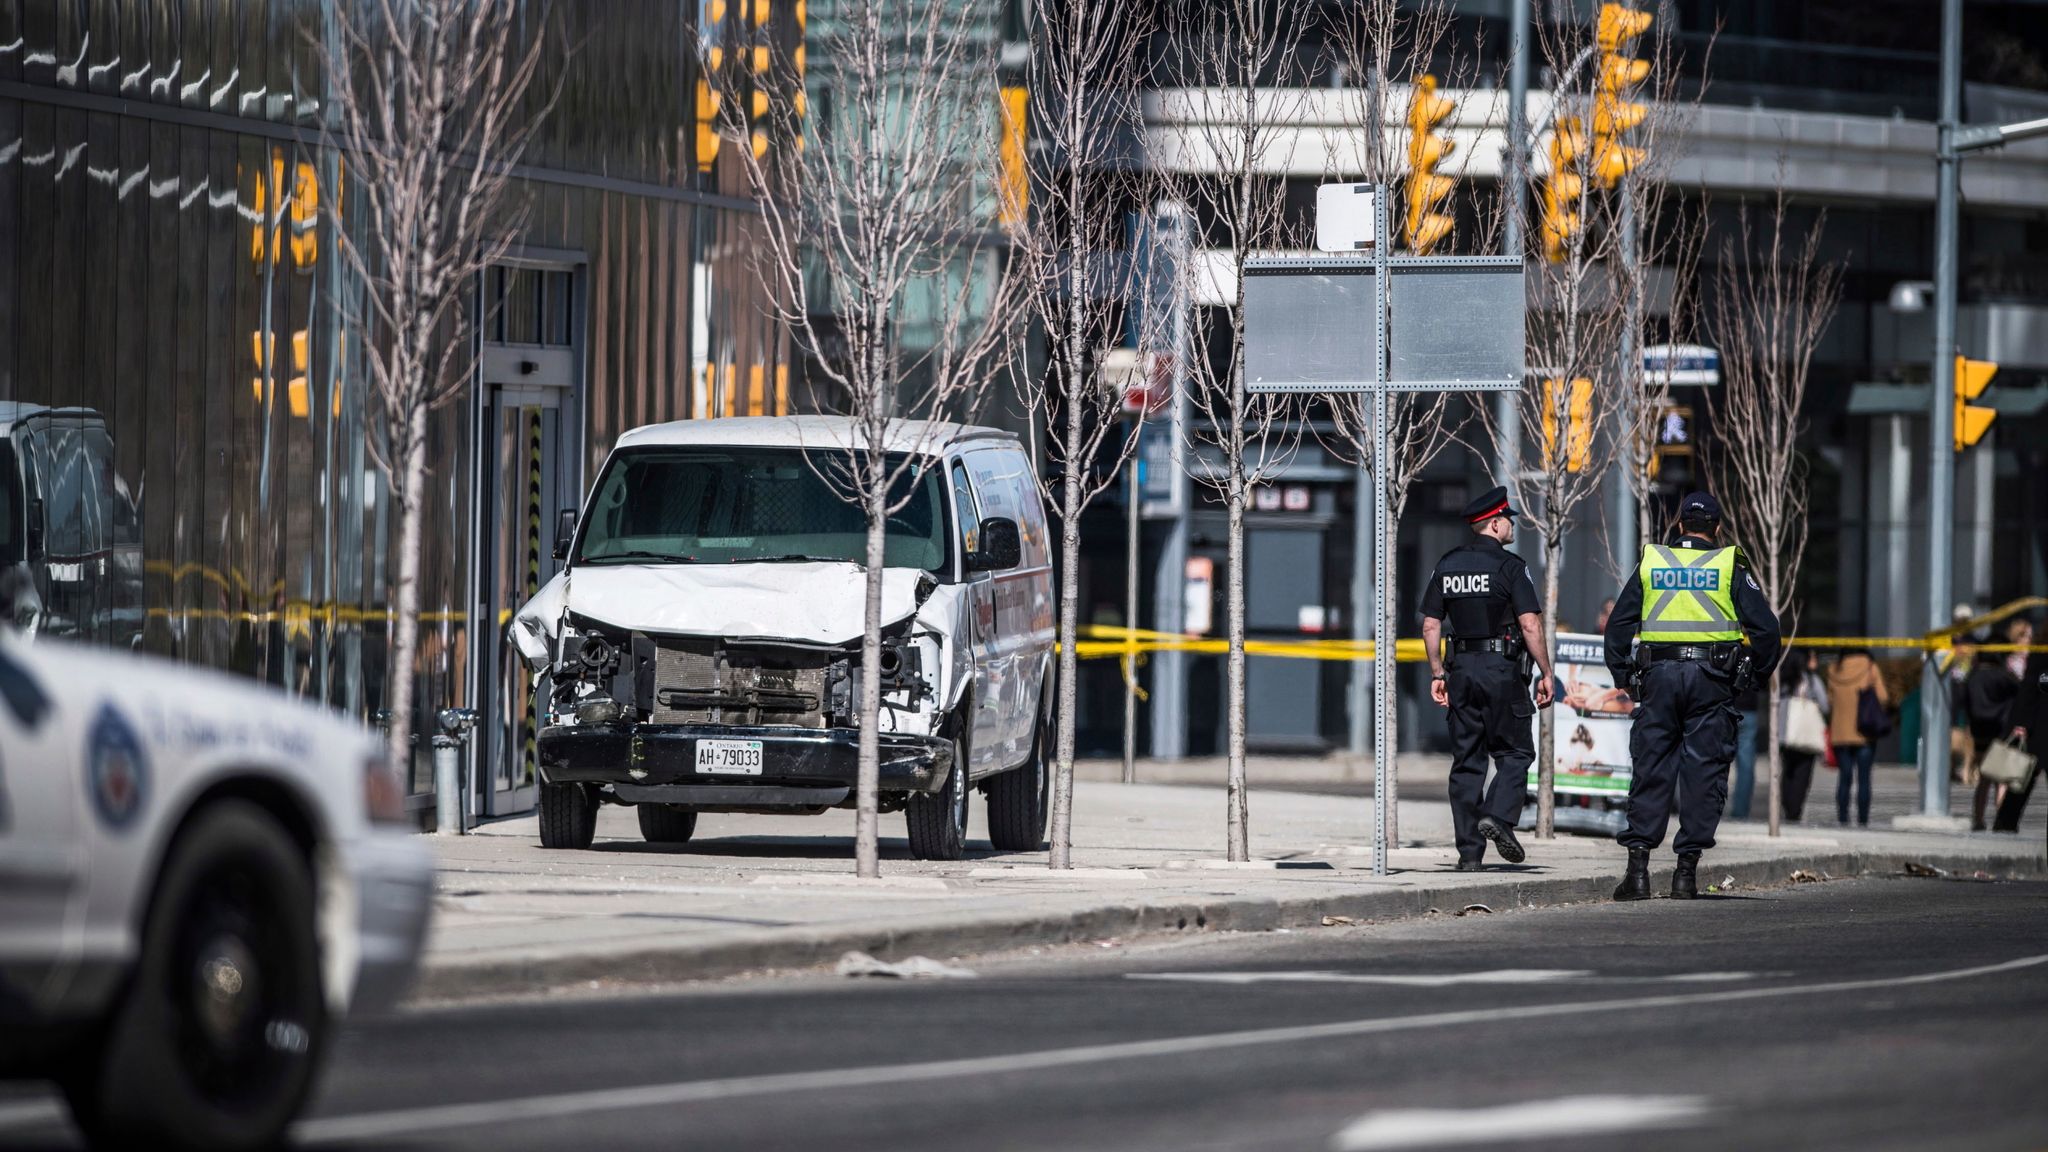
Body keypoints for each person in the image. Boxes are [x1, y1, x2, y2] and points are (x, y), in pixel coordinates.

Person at [1601, 491, 1782, 900]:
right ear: (1716, 529)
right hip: (1712, 680)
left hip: (1658, 677)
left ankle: (1639, 873)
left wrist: (1623, 674)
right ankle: (1685, 874)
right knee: (1704, 770)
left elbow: (1617, 626)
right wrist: (1754, 674)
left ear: (1679, 525)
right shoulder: (1727, 563)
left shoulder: (1653, 561)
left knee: (1651, 767)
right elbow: (1767, 630)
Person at [1420, 486, 1555, 872]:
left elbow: (1430, 625)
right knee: (1515, 752)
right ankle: (1498, 815)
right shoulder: (1511, 567)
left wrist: (1437, 673)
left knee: (1467, 762)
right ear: (1495, 524)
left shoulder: (1446, 564)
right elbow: (1529, 623)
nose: (1511, 525)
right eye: (1508, 519)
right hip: (1501, 671)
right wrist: (1546, 671)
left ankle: (1469, 856)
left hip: (1461, 670)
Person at [1964, 617, 2031, 830]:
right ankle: (2000, 818)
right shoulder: (2003, 675)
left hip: (1979, 733)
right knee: (2002, 780)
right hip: (2001, 732)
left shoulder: (1974, 675)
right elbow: (2022, 692)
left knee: (1983, 781)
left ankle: (1978, 818)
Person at [1825, 648, 1889, 826]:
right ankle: (1862, 821)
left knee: (1844, 778)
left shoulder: (1834, 668)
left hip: (1840, 733)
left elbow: (1829, 700)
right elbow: (1883, 697)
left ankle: (1843, 818)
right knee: (1864, 779)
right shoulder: (1870, 667)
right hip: (1864, 732)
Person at [1991, 644, 2046, 833]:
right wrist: (2022, 724)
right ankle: (2005, 824)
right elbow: (2029, 691)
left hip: (2036, 728)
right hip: (2037, 729)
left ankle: (2005, 823)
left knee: (2022, 782)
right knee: (2021, 779)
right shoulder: (2041, 655)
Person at [1777, 652, 1830, 823]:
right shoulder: (1812, 681)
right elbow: (1824, 705)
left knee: (1787, 771)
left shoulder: (1783, 680)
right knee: (1803, 774)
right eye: (1813, 658)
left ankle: (1787, 806)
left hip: (1786, 734)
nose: (1815, 661)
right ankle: (1794, 811)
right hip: (1806, 735)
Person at [1728, 679, 1761, 820]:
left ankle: (1708, 808)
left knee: (1713, 760)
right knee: (1746, 767)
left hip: (1724, 704)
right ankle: (1740, 813)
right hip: (1748, 707)